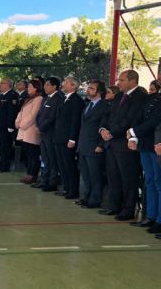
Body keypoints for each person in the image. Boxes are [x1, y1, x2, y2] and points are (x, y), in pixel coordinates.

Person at [99, 70, 147, 220]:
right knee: (113, 176)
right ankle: (114, 206)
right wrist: (103, 129)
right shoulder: (119, 96)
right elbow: (107, 114)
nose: (118, 83)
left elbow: (131, 119)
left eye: (122, 80)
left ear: (133, 81)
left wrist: (112, 132)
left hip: (125, 143)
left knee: (128, 178)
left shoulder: (140, 96)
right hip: (112, 143)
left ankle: (127, 209)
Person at [127, 79, 161, 231]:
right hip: (146, 144)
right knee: (150, 181)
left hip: (157, 144)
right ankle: (151, 216)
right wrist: (133, 136)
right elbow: (139, 117)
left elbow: (156, 121)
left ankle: (159, 220)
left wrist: (134, 132)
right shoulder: (152, 98)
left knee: (158, 183)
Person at [77, 80, 110, 209]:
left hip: (95, 145)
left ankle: (95, 199)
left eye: (92, 88)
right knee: (85, 174)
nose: (88, 90)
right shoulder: (88, 105)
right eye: (88, 87)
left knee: (95, 174)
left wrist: (101, 145)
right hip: (84, 144)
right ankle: (86, 196)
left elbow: (104, 126)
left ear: (99, 91)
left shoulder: (104, 106)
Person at [53, 76, 85, 199]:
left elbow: (75, 121)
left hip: (68, 139)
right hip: (59, 137)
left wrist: (72, 139)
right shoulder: (64, 99)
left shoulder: (77, 101)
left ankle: (72, 190)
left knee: (69, 165)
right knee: (62, 164)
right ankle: (66, 187)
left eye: (66, 83)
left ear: (73, 86)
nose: (63, 84)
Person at [35, 77, 63, 191]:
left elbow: (52, 117)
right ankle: (44, 180)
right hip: (43, 132)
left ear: (54, 86)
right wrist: (38, 125)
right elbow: (39, 115)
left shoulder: (58, 98)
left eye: (47, 85)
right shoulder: (46, 98)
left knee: (52, 158)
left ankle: (52, 182)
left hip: (50, 133)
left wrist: (41, 127)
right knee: (45, 158)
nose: (44, 87)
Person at [15, 79, 43, 184]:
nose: (28, 89)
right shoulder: (28, 99)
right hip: (23, 131)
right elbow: (21, 112)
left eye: (30, 87)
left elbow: (33, 115)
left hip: (31, 131)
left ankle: (33, 175)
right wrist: (17, 122)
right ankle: (29, 173)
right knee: (27, 154)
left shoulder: (39, 99)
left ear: (36, 88)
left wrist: (22, 125)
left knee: (33, 155)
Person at [0, 78, 19, 172]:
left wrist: (10, 126)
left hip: (5, 127)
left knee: (5, 147)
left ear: (8, 85)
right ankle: (0, 164)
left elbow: (12, 112)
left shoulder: (12, 95)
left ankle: (5, 166)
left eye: (2, 83)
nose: (0, 85)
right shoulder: (1, 95)